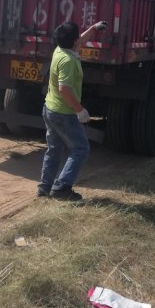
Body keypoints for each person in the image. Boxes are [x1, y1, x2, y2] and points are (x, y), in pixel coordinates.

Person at [38, 20, 107, 201]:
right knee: (81, 149)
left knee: (54, 148)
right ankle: (61, 187)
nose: (79, 40)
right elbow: (64, 88)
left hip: (50, 109)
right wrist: (80, 110)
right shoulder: (69, 60)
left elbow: (79, 41)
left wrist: (93, 29)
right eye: (78, 37)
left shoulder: (60, 50)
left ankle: (45, 187)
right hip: (64, 113)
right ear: (74, 41)